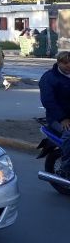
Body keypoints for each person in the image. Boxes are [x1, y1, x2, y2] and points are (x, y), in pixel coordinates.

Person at [39, 51, 70, 179]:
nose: (68, 65)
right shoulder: (49, 78)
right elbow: (48, 101)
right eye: (65, 63)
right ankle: (66, 169)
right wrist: (62, 118)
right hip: (57, 118)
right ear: (58, 63)